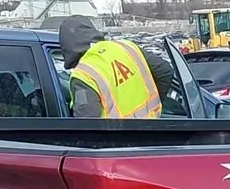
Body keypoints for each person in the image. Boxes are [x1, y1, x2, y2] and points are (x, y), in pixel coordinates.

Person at [57, 16, 188, 119]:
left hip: (116, 142)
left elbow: (87, 125)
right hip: (151, 132)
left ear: (67, 47)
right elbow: (164, 70)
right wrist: (153, 105)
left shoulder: (84, 74)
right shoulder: (125, 46)